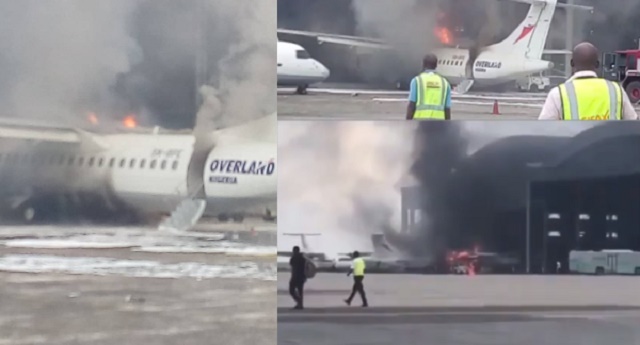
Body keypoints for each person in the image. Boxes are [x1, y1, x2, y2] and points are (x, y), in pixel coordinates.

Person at [538, 42, 638, 120]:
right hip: (610, 146)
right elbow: (633, 123)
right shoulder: (616, 91)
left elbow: (545, 130)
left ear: (572, 63)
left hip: (574, 147)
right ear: (598, 64)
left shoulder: (558, 93)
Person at [406, 53, 452, 120]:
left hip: (420, 123)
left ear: (423, 65)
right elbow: (447, 109)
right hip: (439, 124)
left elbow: (412, 105)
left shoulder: (417, 81)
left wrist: (407, 124)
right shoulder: (445, 83)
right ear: (436, 65)